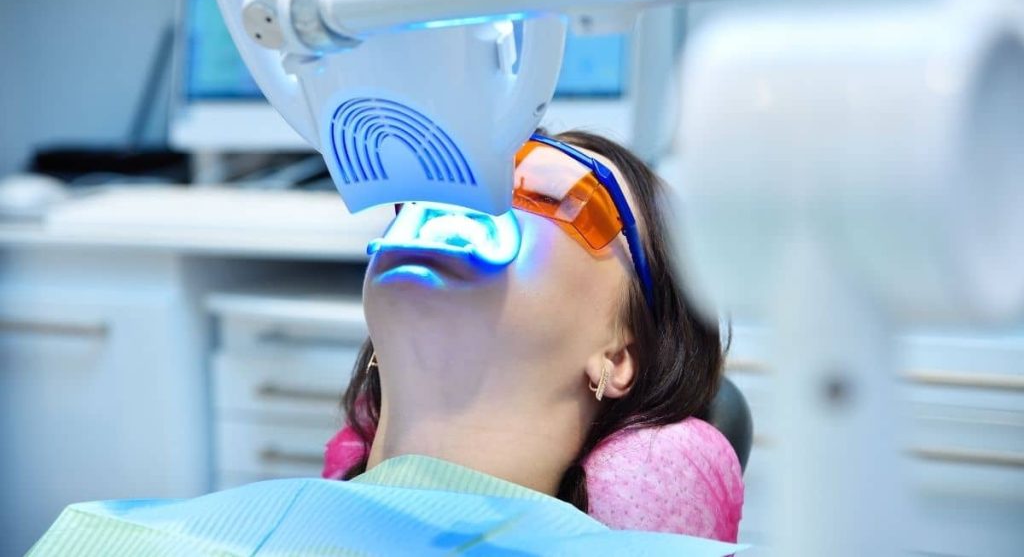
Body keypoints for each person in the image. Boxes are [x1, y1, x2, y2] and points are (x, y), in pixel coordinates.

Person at [29, 131, 742, 556]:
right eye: (447, 178)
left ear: (619, 355)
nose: (470, 199)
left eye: (546, 183)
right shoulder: (107, 534)